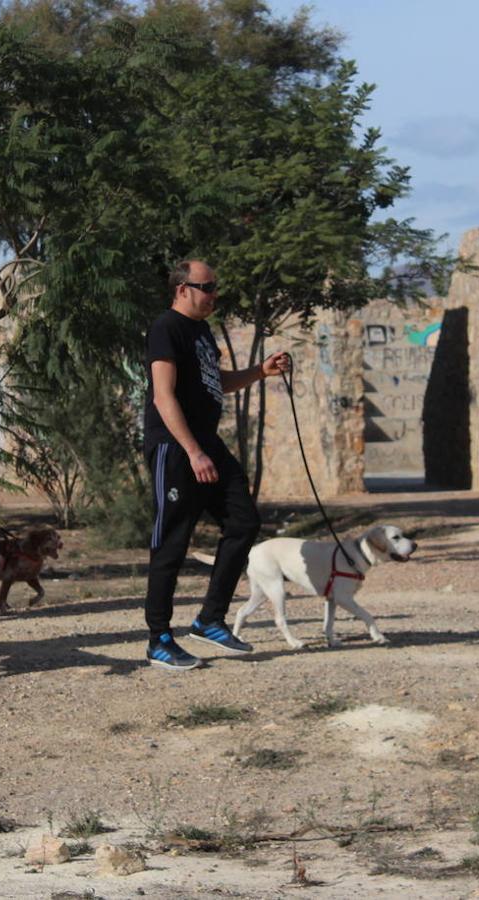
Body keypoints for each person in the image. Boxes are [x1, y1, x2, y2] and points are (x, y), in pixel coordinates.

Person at [141, 259, 290, 670]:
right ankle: (159, 639)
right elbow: (163, 396)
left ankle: (210, 619)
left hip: (207, 443)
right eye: (205, 287)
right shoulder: (165, 328)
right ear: (181, 289)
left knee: (244, 521)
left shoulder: (201, 332)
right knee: (172, 541)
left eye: (214, 287)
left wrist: (261, 371)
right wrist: (192, 450)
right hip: (175, 447)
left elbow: (215, 381)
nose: (213, 294)